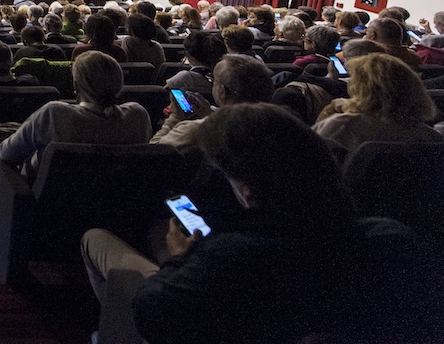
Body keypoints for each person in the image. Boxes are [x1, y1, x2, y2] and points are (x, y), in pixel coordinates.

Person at [83, 103, 443, 344]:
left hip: (186, 310)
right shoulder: (393, 238)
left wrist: (180, 257)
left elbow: (153, 313)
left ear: (247, 189)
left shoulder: (230, 256)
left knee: (96, 238)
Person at [0, 51, 151, 177]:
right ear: (119, 83)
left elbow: (7, 153)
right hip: (118, 205)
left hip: (49, 204)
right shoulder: (139, 116)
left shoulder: (55, 114)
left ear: (76, 85)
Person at [313, 53, 442, 155]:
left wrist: (327, 112)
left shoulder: (343, 126)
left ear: (363, 89)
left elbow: (308, 156)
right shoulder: (433, 137)